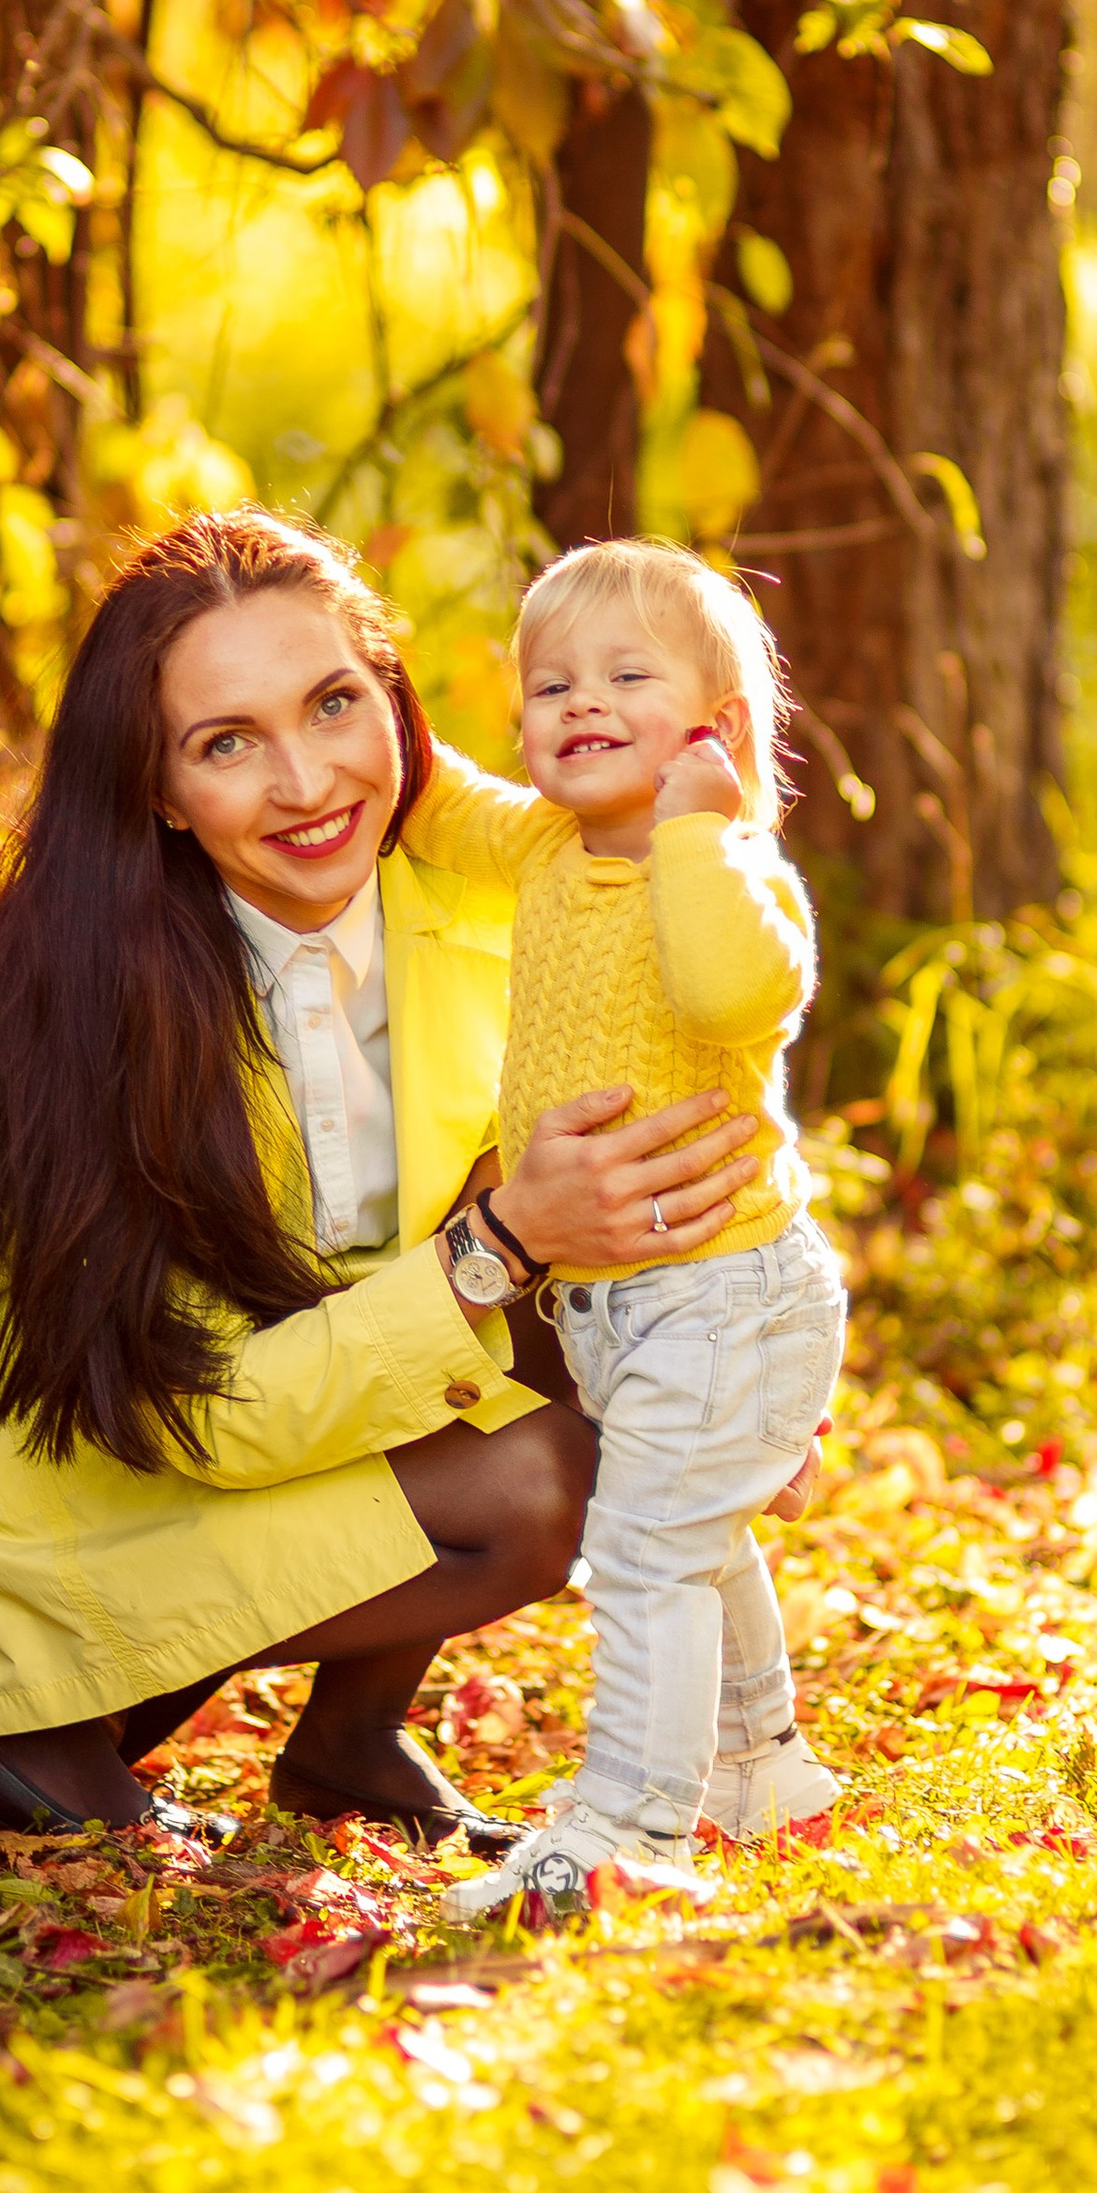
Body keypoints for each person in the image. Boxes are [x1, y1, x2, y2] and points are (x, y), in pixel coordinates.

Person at [0, 507, 796, 1848]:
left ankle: (350, 1743)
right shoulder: (77, 1001)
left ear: (397, 711)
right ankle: (8, 1714)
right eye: (227, 743)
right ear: (160, 789)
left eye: (334, 704)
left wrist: (745, 1360)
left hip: (295, 1381)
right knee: (531, 1458)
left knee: (565, 1284)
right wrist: (501, 1243)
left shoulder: (501, 899)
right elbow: (198, 1416)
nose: (306, 783)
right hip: (75, 1481)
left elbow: (674, 1125)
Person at [393, 538, 849, 1920]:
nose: (578, 702)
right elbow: (431, 806)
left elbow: (724, 996)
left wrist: (701, 829)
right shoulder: (539, 842)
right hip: (621, 1309)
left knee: (648, 1556)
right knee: (696, 1537)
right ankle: (760, 1765)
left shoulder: (737, 876)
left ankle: (626, 1831)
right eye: (548, 684)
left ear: (713, 728)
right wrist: (358, 682)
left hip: (725, 1300)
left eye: (626, 676)